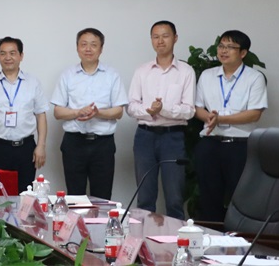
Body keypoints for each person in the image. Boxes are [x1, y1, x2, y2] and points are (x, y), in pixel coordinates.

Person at [194, 30, 267, 222]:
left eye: (230, 47)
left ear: (243, 53)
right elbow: (197, 108)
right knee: (208, 198)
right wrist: (210, 117)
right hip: (210, 143)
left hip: (240, 146)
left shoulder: (254, 78)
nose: (223, 51)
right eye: (221, 46)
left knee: (240, 197)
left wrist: (221, 119)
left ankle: (240, 238)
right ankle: (211, 236)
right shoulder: (207, 75)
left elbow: (255, 113)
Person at [127, 21, 195, 220]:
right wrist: (150, 111)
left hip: (172, 137)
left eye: (165, 36)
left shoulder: (186, 71)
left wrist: (163, 110)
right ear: (151, 40)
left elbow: (189, 110)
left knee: (174, 197)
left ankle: (177, 239)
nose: (160, 41)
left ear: (175, 38)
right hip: (144, 136)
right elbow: (131, 106)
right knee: (145, 197)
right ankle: (143, 238)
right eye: (155, 36)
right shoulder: (142, 71)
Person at [51, 28, 127, 200]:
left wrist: (98, 113)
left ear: (101, 49)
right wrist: (77, 112)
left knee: (102, 197)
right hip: (74, 143)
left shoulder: (112, 75)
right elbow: (57, 111)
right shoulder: (67, 75)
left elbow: (118, 111)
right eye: (83, 44)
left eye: (93, 45)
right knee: (75, 197)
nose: (88, 49)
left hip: (103, 145)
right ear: (77, 48)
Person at [0, 37, 48, 193]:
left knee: (25, 194)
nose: (7, 57)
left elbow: (41, 115)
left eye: (12, 53)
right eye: (3, 53)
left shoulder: (33, 82)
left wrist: (41, 146)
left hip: (25, 148)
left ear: (21, 56)